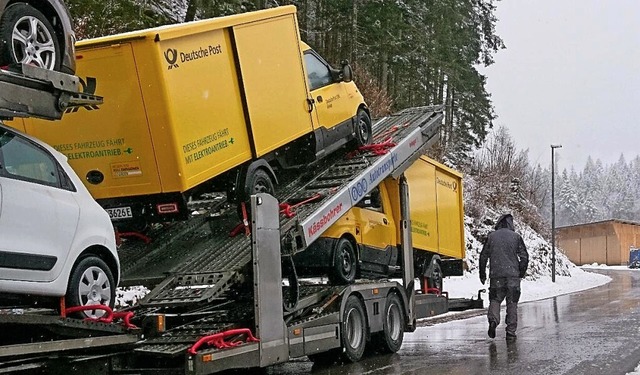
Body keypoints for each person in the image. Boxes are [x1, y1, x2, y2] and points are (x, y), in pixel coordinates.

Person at [479, 213, 529, 341]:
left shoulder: (491, 237)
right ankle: (510, 332)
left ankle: (493, 321)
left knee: (495, 300)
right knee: (512, 303)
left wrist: (482, 274)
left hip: (496, 276)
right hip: (512, 277)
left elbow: (483, 256)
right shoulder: (516, 237)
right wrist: (521, 272)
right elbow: (524, 257)